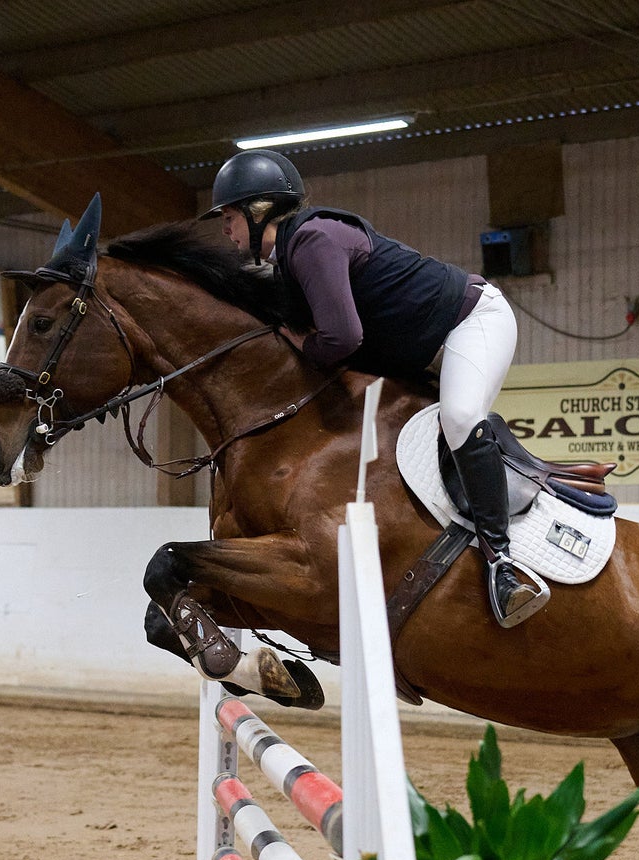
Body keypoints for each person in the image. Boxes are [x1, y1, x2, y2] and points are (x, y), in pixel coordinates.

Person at [201, 148, 548, 628]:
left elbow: (342, 338)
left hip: (472, 322)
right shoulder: (287, 261)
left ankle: (502, 565)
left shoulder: (312, 241)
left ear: (260, 211)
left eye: (230, 216)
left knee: (461, 417)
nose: (225, 229)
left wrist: (299, 341)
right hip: (418, 350)